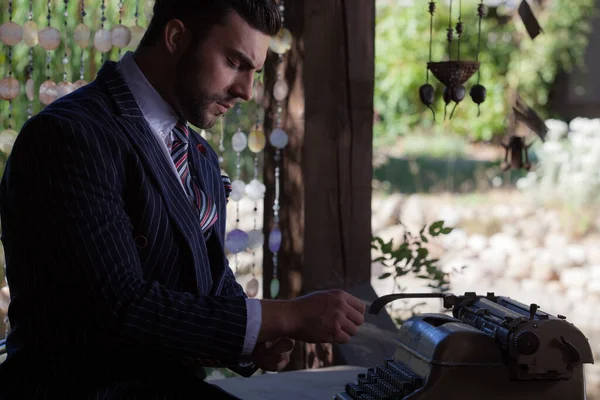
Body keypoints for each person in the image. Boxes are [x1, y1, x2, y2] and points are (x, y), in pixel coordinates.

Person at [0, 0, 366, 398]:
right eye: (234, 62)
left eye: (255, 72)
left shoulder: (199, 156)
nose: (246, 90)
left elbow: (206, 277)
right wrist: (288, 315)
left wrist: (252, 342)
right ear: (176, 37)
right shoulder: (69, 137)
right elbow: (121, 310)